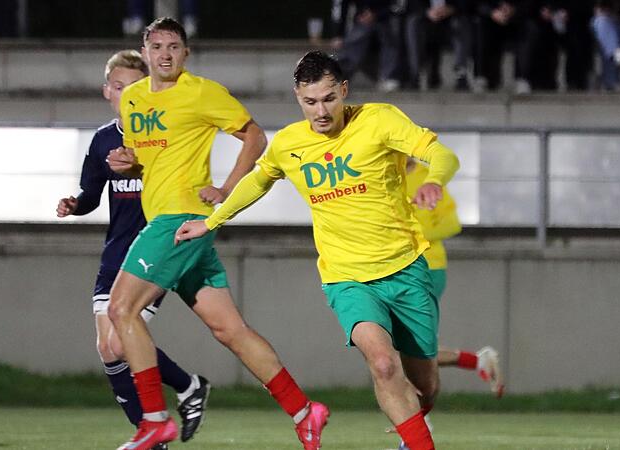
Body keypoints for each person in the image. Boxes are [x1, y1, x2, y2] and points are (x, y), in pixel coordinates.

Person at [176, 50, 461, 450]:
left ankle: (416, 418)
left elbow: (441, 153)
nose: (321, 110)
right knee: (381, 362)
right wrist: (211, 221)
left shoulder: (379, 120)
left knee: (425, 382)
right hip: (346, 277)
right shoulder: (290, 143)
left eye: (329, 98)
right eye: (310, 101)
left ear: (343, 90)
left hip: (406, 267)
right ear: (298, 97)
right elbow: (259, 181)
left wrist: (435, 180)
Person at [106, 18, 330, 450]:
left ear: (186, 53)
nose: (166, 54)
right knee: (230, 331)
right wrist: (127, 163)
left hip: (181, 220)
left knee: (121, 310)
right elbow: (147, 158)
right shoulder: (133, 99)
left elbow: (255, 137)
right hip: (172, 223)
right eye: (157, 46)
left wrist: (227, 191)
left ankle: (154, 419)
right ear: (146, 51)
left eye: (174, 46)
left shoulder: (202, 92)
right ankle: (305, 411)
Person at [55, 50, 210, 450]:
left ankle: (159, 421)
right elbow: (91, 194)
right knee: (108, 348)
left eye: (134, 87)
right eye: (119, 87)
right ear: (107, 90)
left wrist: (142, 167)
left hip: (154, 249)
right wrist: (76, 205)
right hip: (115, 252)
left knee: (120, 341)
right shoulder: (104, 140)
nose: (126, 94)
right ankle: (169, 409)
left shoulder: (162, 136)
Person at [405, 157, 505, 399]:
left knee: (414, 349)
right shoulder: (380, 176)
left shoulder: (427, 179)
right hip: (393, 269)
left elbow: (451, 224)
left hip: (428, 268)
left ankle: (417, 423)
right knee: (400, 350)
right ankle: (479, 361)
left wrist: (409, 236)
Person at [330, 0, 404, 92]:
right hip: (363, 17)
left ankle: (389, 76)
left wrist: (377, 14)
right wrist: (338, 34)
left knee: (390, 34)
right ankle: (340, 75)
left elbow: (398, 5)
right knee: (356, 38)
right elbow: (342, 6)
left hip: (388, 16)